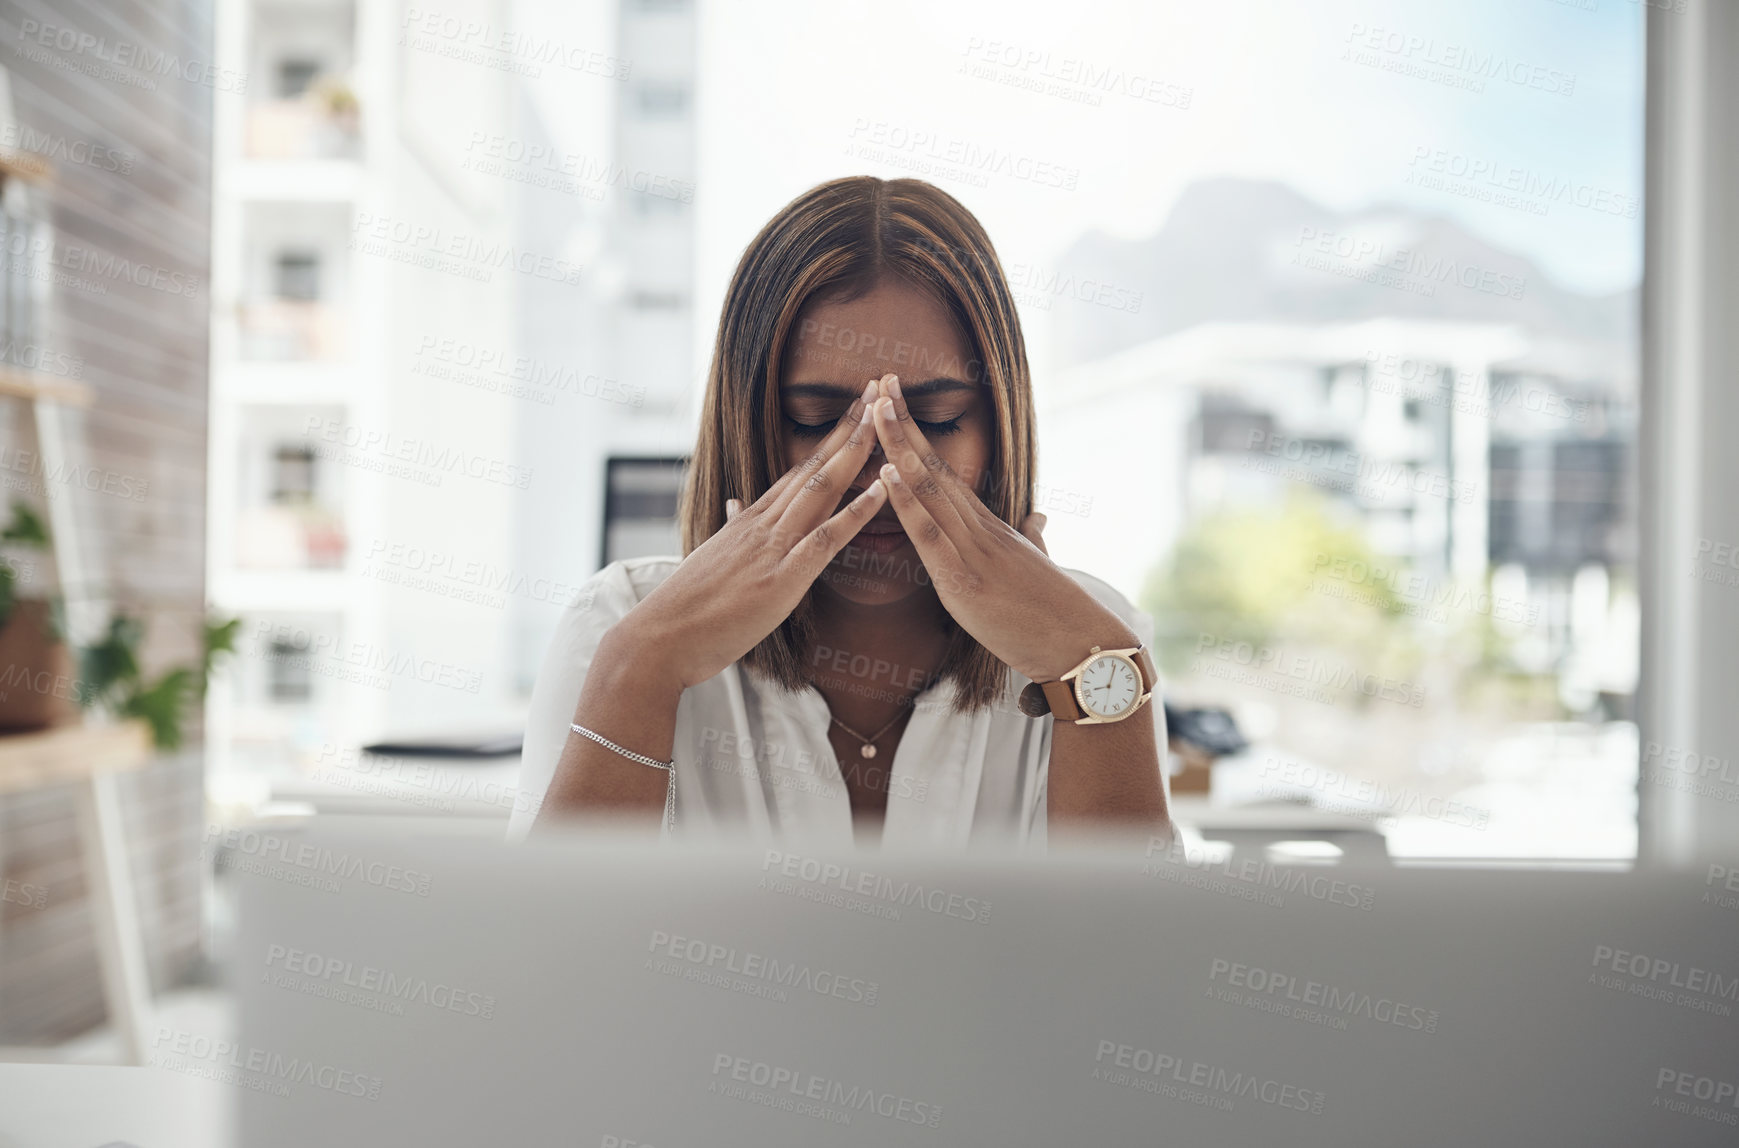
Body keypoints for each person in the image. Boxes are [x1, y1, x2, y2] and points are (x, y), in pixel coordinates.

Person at [510, 176, 1173, 850]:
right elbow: (546, 950)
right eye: (819, 421)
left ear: (999, 429)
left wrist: (1093, 678)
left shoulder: (1094, 642)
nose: (877, 471)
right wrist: (640, 669)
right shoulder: (619, 625)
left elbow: (1132, 954)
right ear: (746, 428)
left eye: (936, 423)